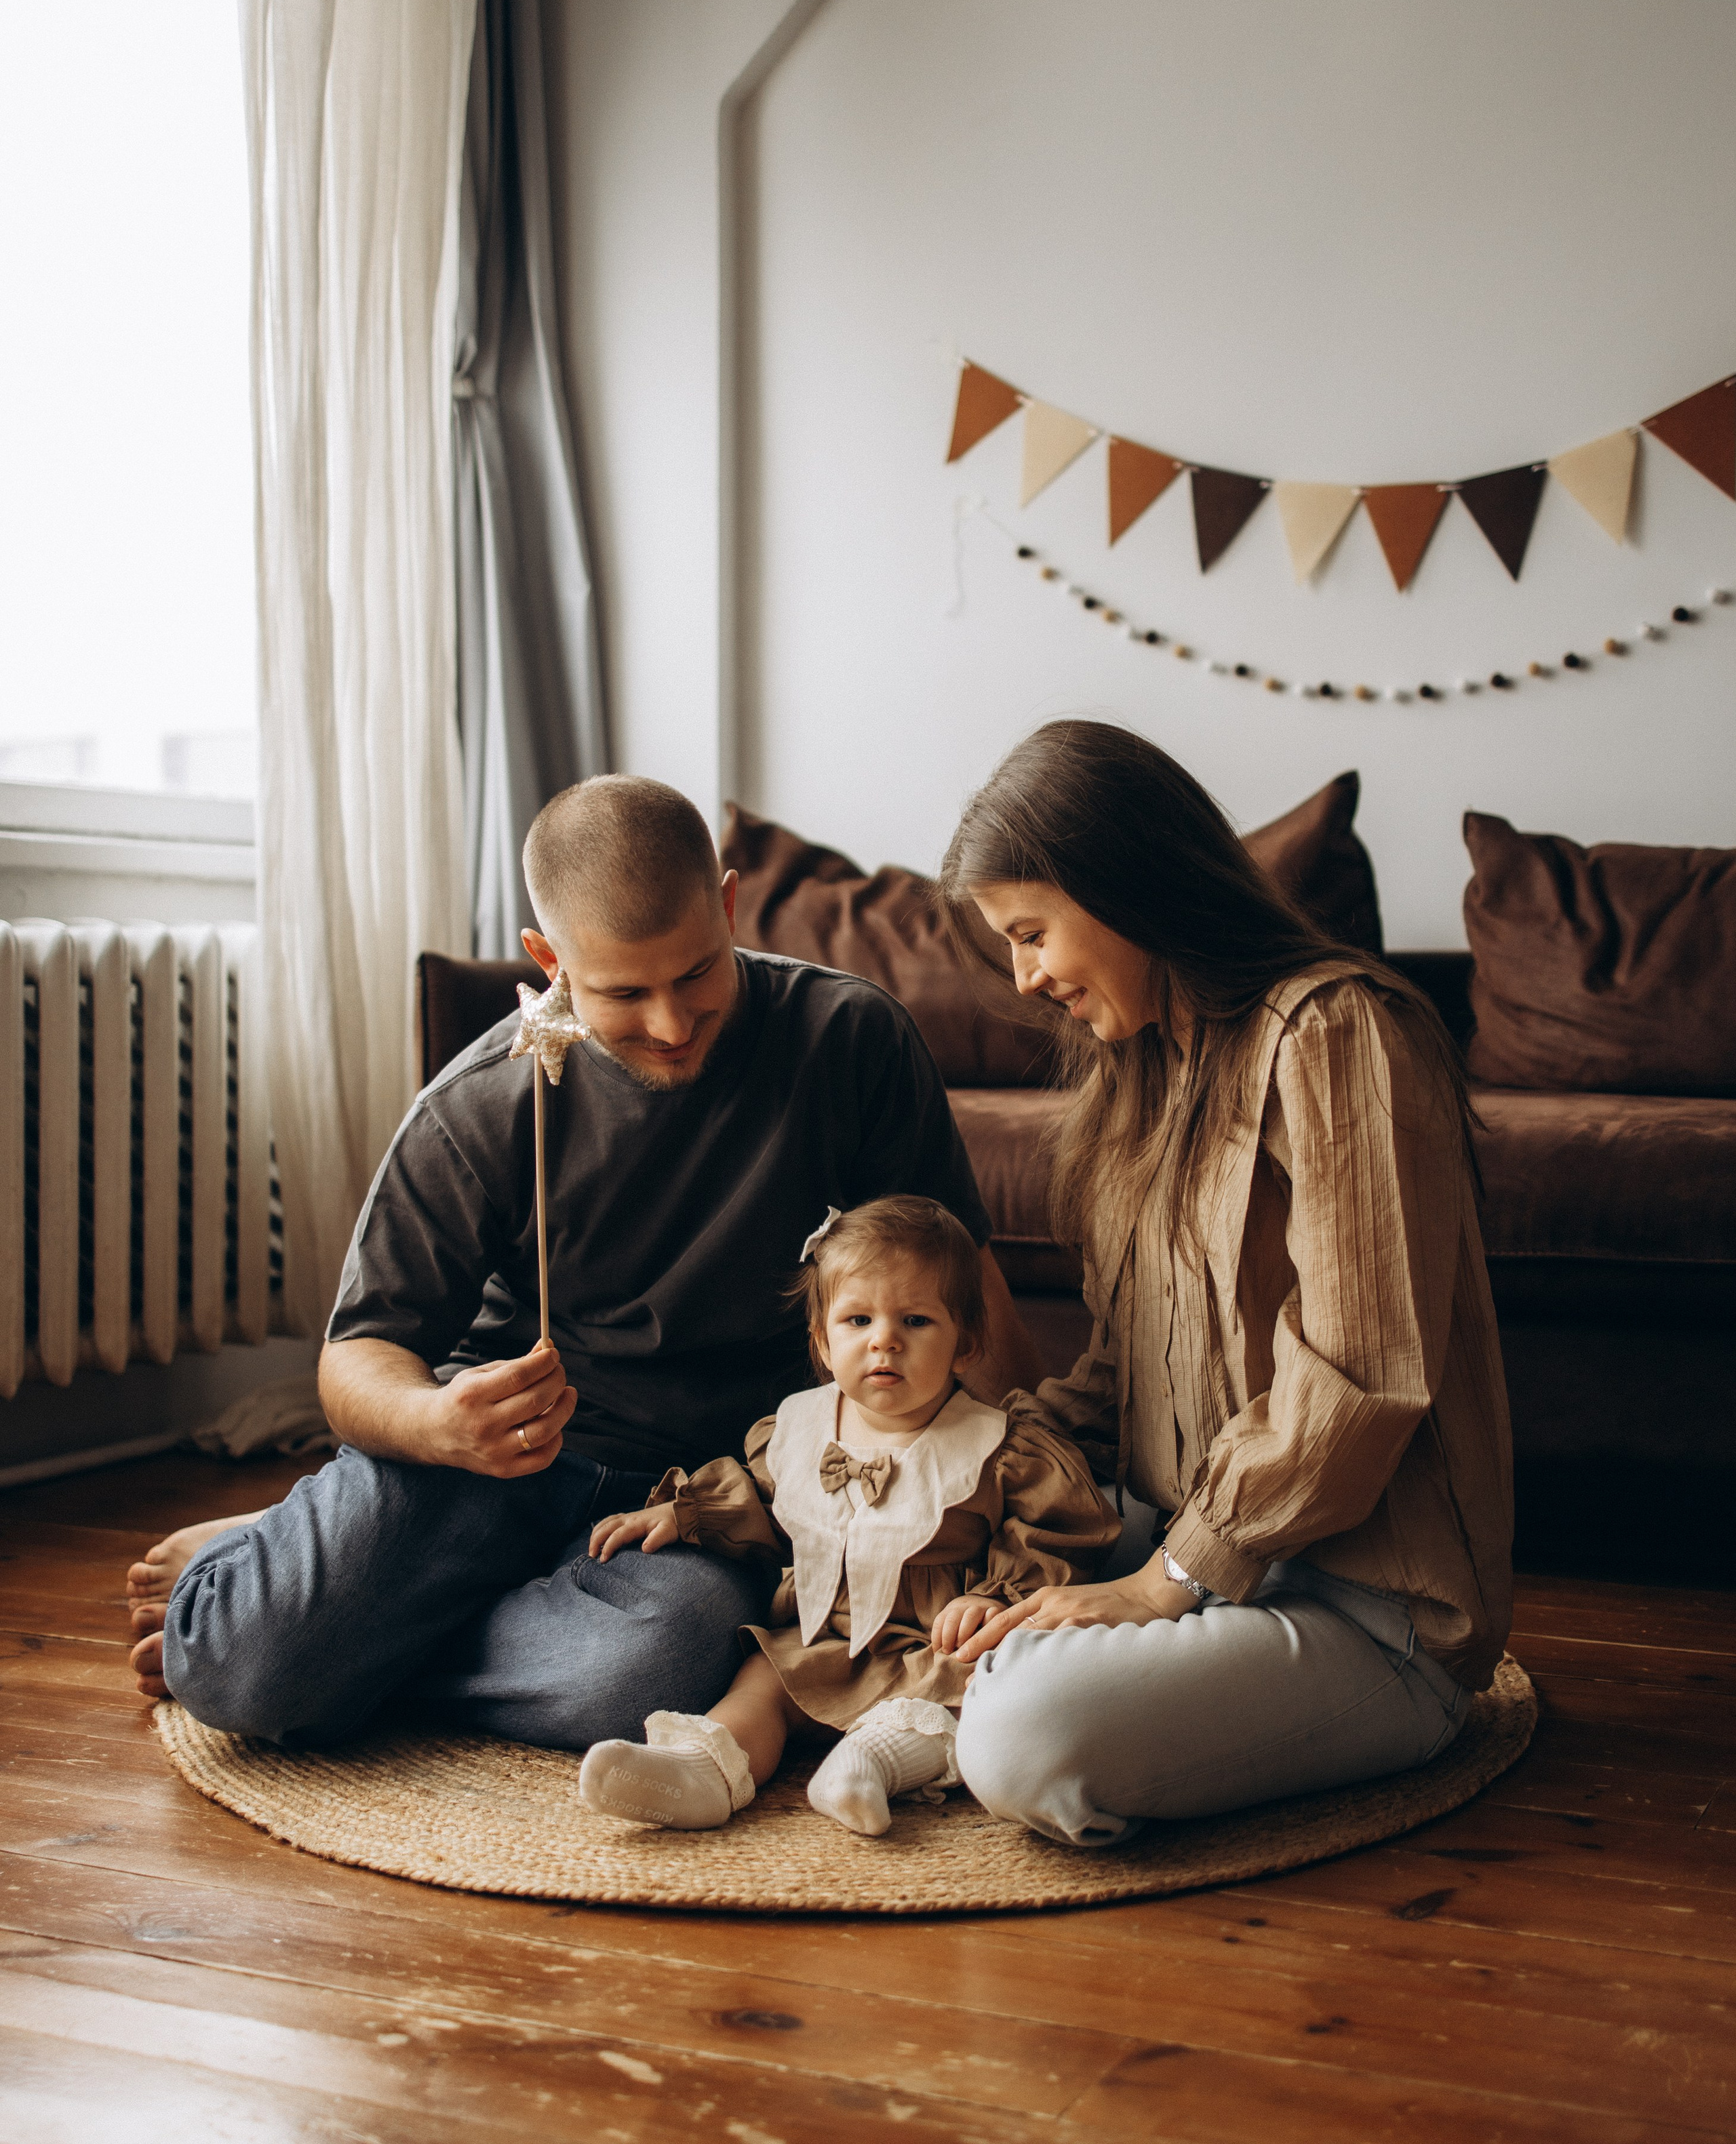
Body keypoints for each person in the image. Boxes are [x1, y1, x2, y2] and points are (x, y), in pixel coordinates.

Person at [128, 776, 1042, 1748]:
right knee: (237, 1667)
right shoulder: (479, 1103)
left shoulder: (851, 1038)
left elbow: (962, 1290)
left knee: (652, 1675)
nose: (671, 1024)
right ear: (547, 957)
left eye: (697, 973)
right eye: (621, 992)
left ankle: (360, 1629)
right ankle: (316, 1593)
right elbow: (357, 1361)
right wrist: (439, 1419)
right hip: (491, 1460)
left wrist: (1040, 1469)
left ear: (729, 905)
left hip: (702, 1498)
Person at [930, 720, 1514, 1850]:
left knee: (1020, 1735)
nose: (1025, 976)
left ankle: (962, 1716)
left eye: (1033, 931)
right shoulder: (1140, 1073)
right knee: (912, 1606)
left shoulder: (1339, 1034)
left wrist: (1167, 1582)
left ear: (1126, 886)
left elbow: (1362, 1376)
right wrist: (964, 1468)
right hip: (1187, 1544)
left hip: (1365, 1609)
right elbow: (1118, 1370)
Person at [578, 1195, 1118, 1835]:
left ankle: (869, 1765)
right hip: (825, 1640)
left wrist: (997, 1601)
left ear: (966, 1345)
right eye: (858, 1319)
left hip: (936, 1645)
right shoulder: (799, 1430)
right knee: (763, 1682)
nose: (883, 1339)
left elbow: (1051, 1536)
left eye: (915, 1321)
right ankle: (702, 1771)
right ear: (823, 1344)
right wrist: (687, 1511)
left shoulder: (998, 1447)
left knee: (965, 1697)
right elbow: (767, 1506)